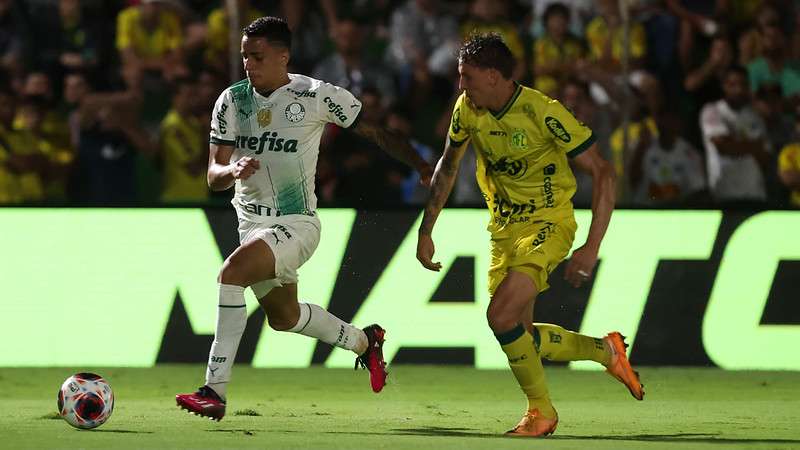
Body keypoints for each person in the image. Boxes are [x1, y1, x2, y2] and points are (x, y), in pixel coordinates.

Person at [175, 17, 432, 421]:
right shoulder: (230, 100)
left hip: (296, 224)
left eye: (257, 57)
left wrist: (420, 163)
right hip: (251, 227)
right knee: (284, 318)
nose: (248, 65)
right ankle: (365, 342)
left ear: (283, 56)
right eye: (245, 56)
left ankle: (214, 390)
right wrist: (233, 170)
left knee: (230, 275)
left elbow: (374, 132)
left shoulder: (315, 95)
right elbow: (213, 176)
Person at [415, 33, 644, 437]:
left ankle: (541, 413)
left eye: (467, 77)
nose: (461, 86)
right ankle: (606, 351)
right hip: (503, 230)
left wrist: (591, 247)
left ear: (492, 76)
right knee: (521, 336)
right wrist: (426, 229)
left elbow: (604, 172)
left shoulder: (544, 112)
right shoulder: (467, 109)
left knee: (499, 316)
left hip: (548, 223)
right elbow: (447, 167)